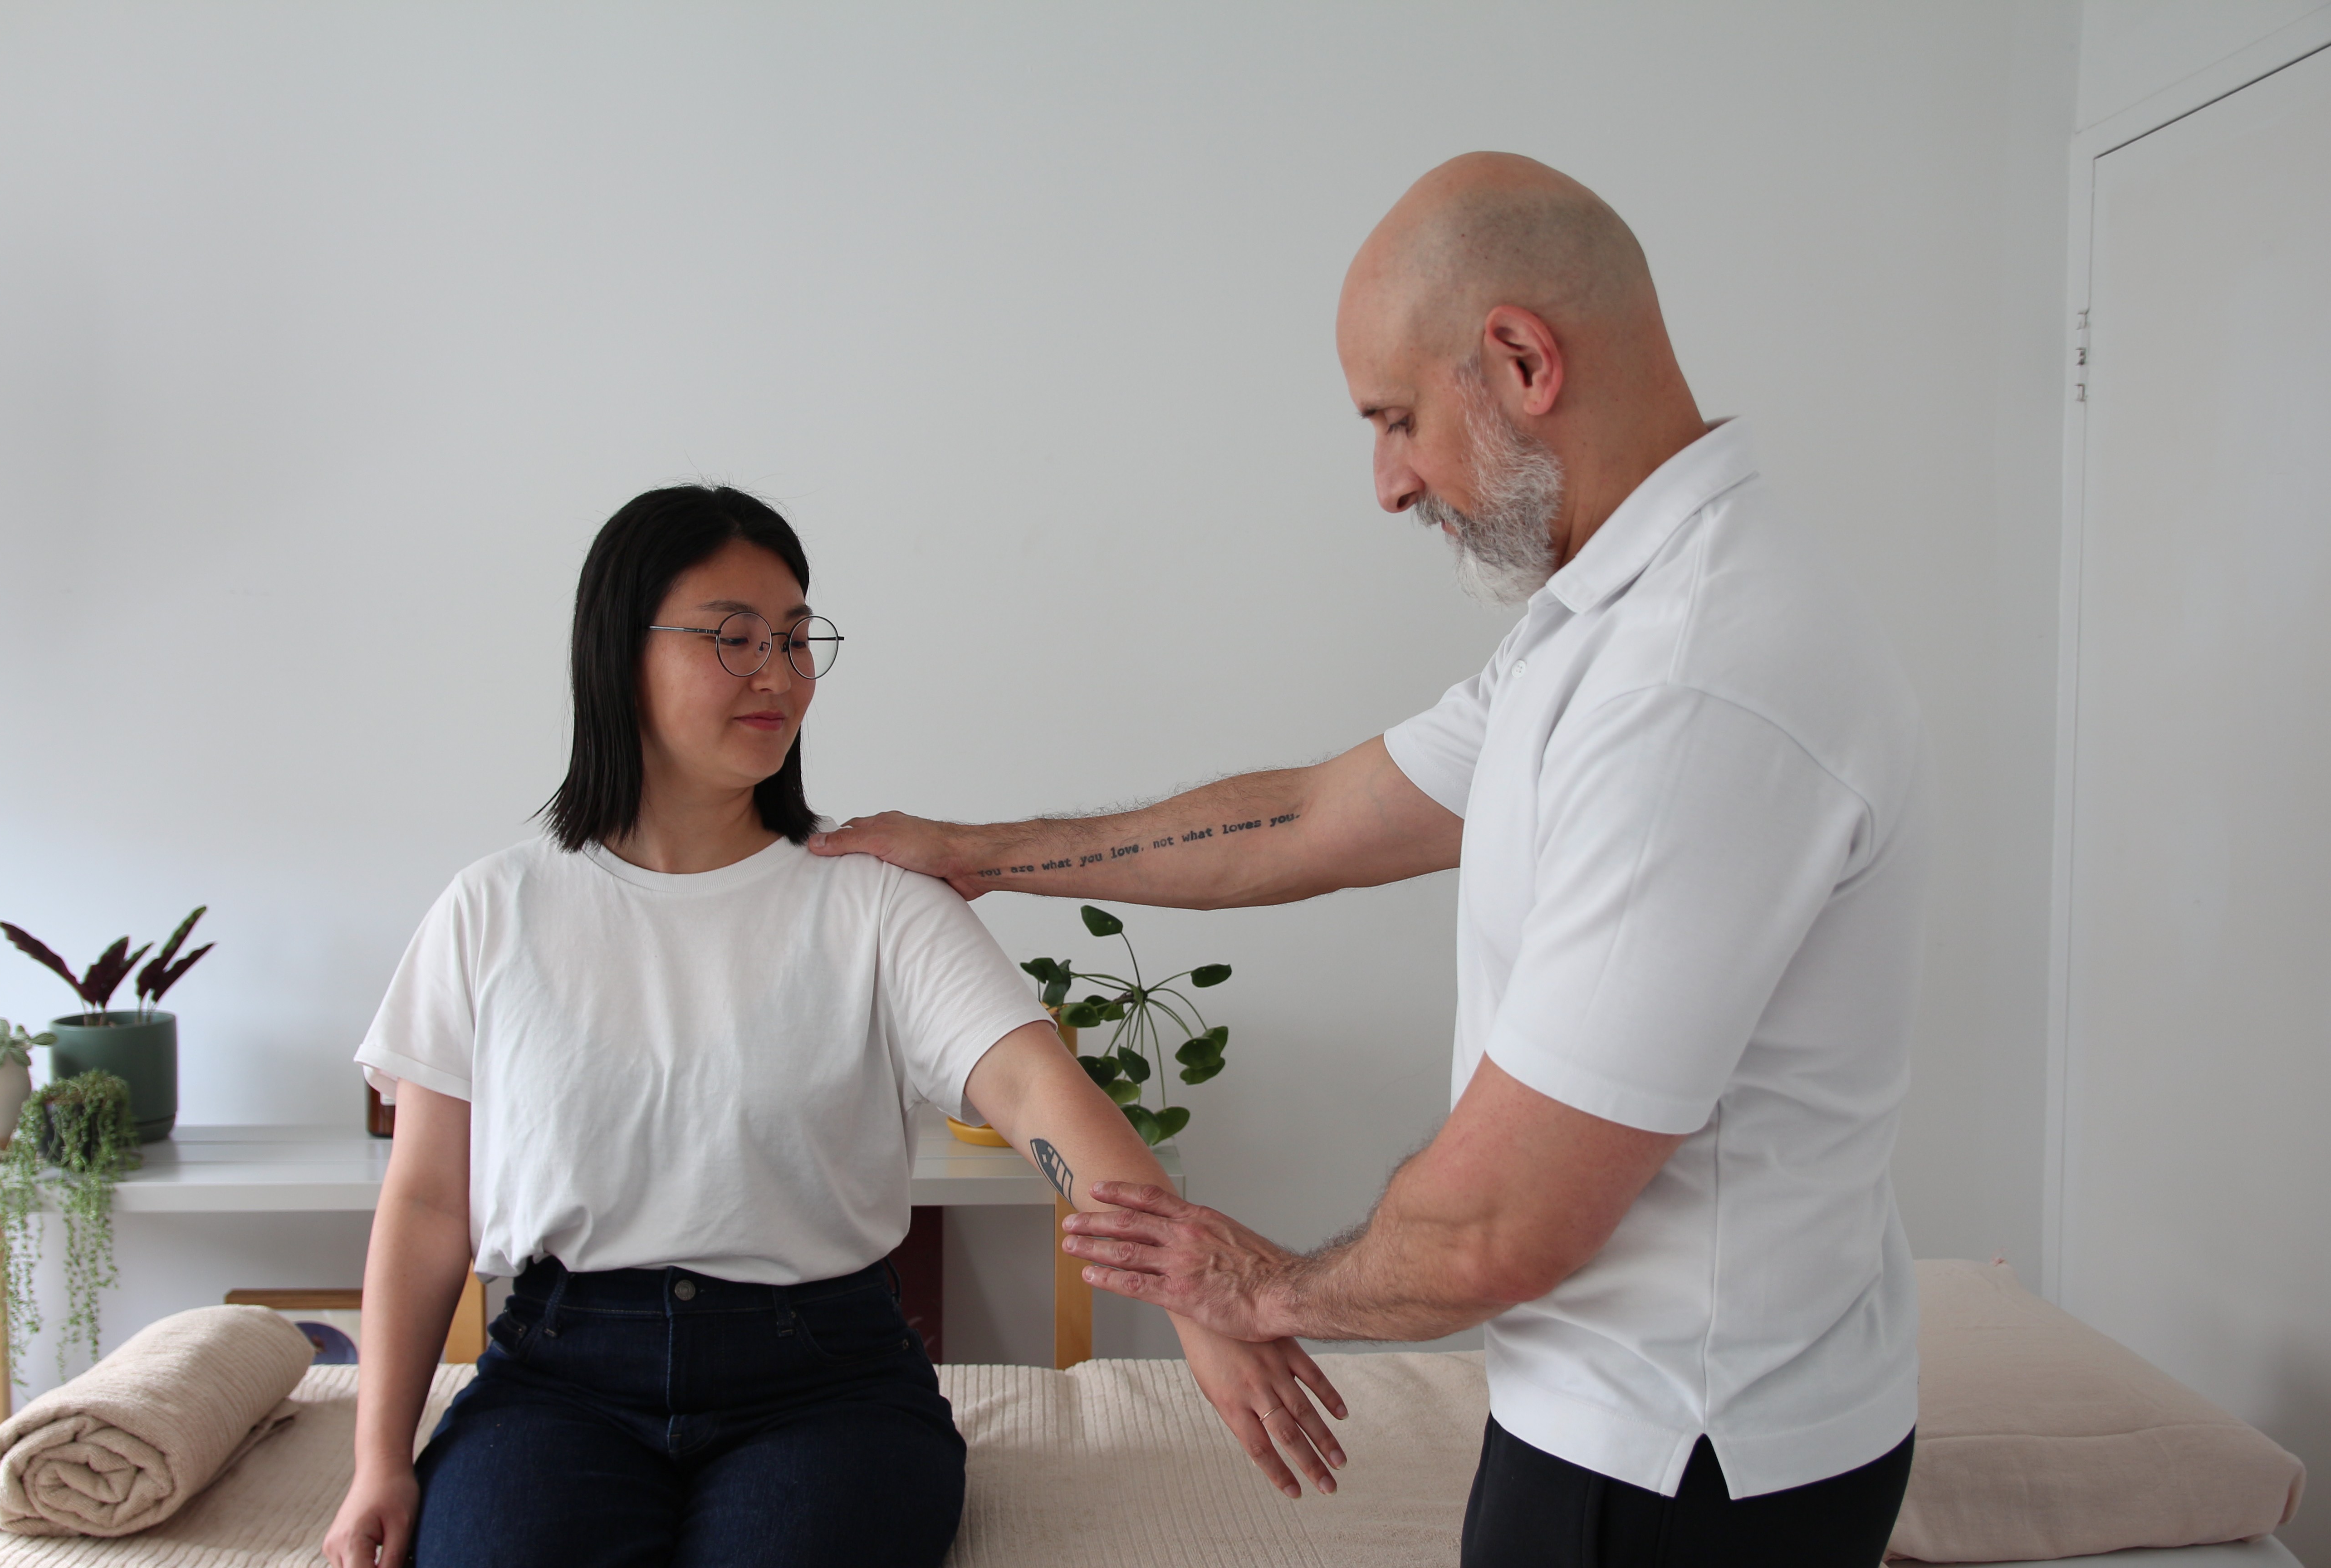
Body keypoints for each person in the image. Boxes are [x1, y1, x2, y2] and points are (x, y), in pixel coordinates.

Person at [811, 152, 1928, 1567]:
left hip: (1678, 1458)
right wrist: (981, 853)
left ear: (1522, 361)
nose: (1389, 484)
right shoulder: (1601, 622)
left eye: (1397, 420)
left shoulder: (1695, 685)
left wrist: (1261, 1290)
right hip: (1660, 1409)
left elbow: (1497, 1228)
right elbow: (1318, 818)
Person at [320, 486, 1348, 1568]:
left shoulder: (876, 901)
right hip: (558, 1379)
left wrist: (1194, 1294)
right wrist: (378, 1460)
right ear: (620, 650)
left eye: (800, 639)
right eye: (735, 638)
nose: (780, 672)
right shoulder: (495, 909)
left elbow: (1044, 1097)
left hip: (822, 1386)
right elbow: (430, 1203)